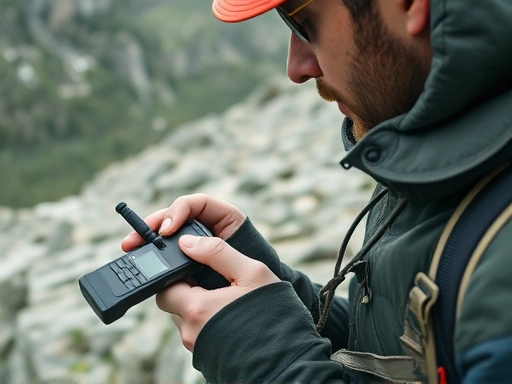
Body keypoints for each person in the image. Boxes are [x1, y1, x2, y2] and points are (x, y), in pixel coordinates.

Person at [121, 0, 512, 382]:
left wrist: (264, 360)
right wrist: (280, 303)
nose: (298, 68)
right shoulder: (425, 143)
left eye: (302, 21)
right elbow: (409, 348)